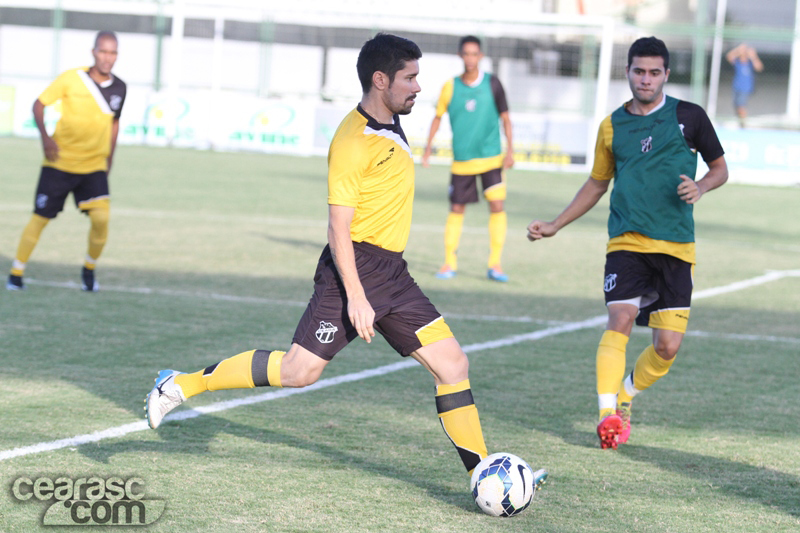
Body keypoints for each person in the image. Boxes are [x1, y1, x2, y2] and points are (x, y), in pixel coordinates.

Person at [146, 33, 496, 479]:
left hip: (393, 273)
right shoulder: (353, 141)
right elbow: (338, 228)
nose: (418, 87)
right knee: (299, 371)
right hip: (355, 266)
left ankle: (484, 474)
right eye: (410, 78)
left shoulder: (389, 119)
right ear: (380, 80)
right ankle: (178, 384)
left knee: (453, 364)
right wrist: (356, 296)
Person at [526, 37, 728, 450]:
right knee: (618, 319)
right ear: (628, 72)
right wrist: (555, 224)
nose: (646, 79)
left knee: (667, 348)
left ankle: (626, 394)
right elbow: (597, 183)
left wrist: (702, 186)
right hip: (627, 242)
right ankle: (607, 414)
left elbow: (720, 168)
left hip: (676, 248)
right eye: (639, 71)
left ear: (667, 75)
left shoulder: (690, 117)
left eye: (655, 72)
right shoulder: (612, 125)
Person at [6, 31, 126, 292]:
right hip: (59, 163)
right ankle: (16, 273)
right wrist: (46, 139)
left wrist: (110, 156)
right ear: (94, 52)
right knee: (40, 218)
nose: (108, 57)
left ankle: (89, 269)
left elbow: (114, 123)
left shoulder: (119, 88)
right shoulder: (72, 79)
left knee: (102, 219)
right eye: (103, 51)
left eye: (113, 52)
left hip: (93, 166)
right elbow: (39, 105)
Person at [422, 35, 514, 282]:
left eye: (475, 54)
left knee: (497, 206)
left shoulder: (493, 84)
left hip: (491, 159)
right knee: (456, 208)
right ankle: (449, 263)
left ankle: (495, 264)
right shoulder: (450, 87)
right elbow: (438, 117)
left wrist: (511, 150)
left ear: (480, 56)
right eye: (467, 54)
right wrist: (428, 147)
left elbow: (506, 118)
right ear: (460, 56)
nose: (471, 58)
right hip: (462, 160)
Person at [726, 43, 763, 127]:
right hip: (736, 87)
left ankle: (743, 124)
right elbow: (729, 56)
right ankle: (740, 122)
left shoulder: (750, 63)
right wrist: (738, 50)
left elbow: (759, 67)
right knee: (736, 105)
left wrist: (753, 56)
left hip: (745, 88)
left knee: (741, 106)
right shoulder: (738, 63)